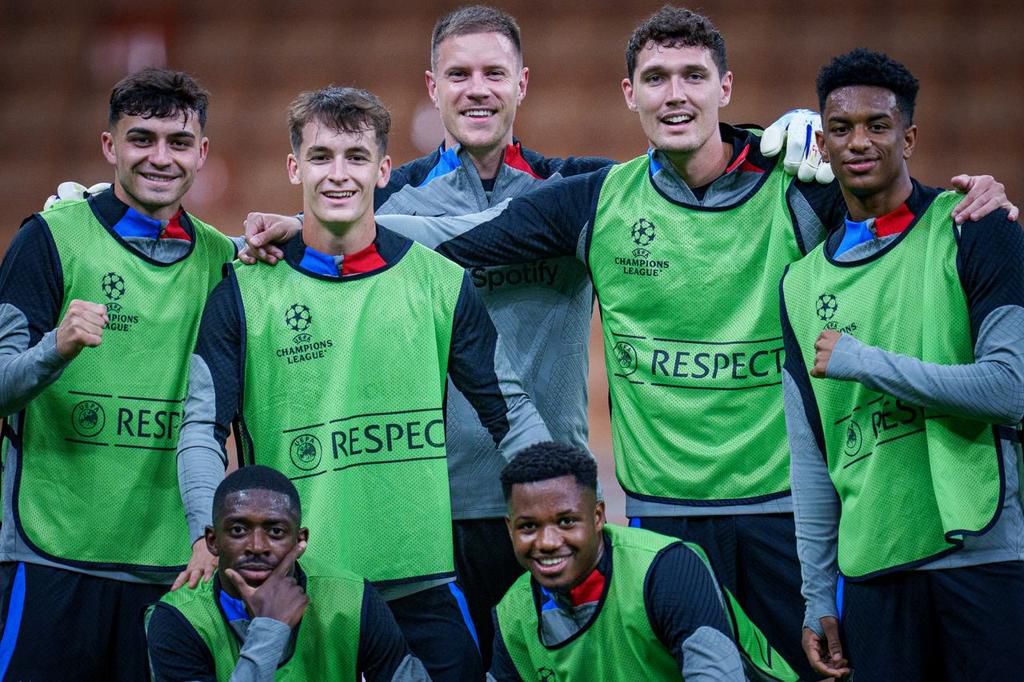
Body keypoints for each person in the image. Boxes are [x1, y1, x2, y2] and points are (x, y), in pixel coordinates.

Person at [238, 7, 834, 667]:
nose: (477, 88)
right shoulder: (387, 197)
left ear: (523, 83)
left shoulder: (581, 193)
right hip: (435, 512)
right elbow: (328, 230)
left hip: (555, 506)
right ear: (432, 88)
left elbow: (687, 171)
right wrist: (294, 226)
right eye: (457, 74)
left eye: (494, 72)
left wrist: (782, 133)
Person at [177, 85, 550, 681]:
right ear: (295, 167)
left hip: (420, 587)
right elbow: (201, 430)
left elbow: (512, 414)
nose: (338, 174)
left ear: (383, 169)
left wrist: (555, 505)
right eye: (321, 157)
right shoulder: (243, 291)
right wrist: (203, 529)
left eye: (355, 157)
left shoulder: (442, 284)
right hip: (300, 595)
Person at [779, 49, 1024, 681]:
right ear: (824, 146)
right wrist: (815, 595)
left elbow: (1011, 389)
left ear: (908, 137)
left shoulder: (975, 227)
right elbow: (811, 456)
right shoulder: (799, 286)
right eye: (841, 129)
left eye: (878, 125)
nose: (859, 142)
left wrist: (866, 363)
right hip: (873, 573)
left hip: (983, 558)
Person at [0, 67, 238, 680]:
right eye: (142, 139)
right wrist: (55, 347)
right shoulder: (49, 239)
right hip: (51, 555)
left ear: (202, 153)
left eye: (178, 143)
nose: (161, 157)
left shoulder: (224, 260)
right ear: (110, 146)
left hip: (168, 566)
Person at [491, 441, 797, 681]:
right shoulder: (513, 616)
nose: (547, 542)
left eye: (567, 521)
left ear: (598, 517)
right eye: (529, 527)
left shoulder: (666, 569)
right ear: (510, 528)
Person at [146, 465, 430, 681]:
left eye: (275, 531)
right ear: (212, 541)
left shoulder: (351, 599)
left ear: (300, 539)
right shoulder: (178, 618)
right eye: (238, 530)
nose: (257, 546)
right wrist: (269, 628)